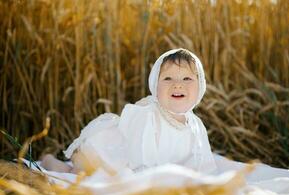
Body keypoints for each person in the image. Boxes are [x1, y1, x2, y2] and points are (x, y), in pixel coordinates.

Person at [41, 48, 216, 175]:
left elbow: (204, 161)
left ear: (200, 86)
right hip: (116, 158)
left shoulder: (196, 124)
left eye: (187, 78)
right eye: (167, 78)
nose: (177, 84)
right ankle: (50, 161)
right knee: (79, 174)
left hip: (157, 173)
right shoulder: (149, 117)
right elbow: (140, 162)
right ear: (155, 85)